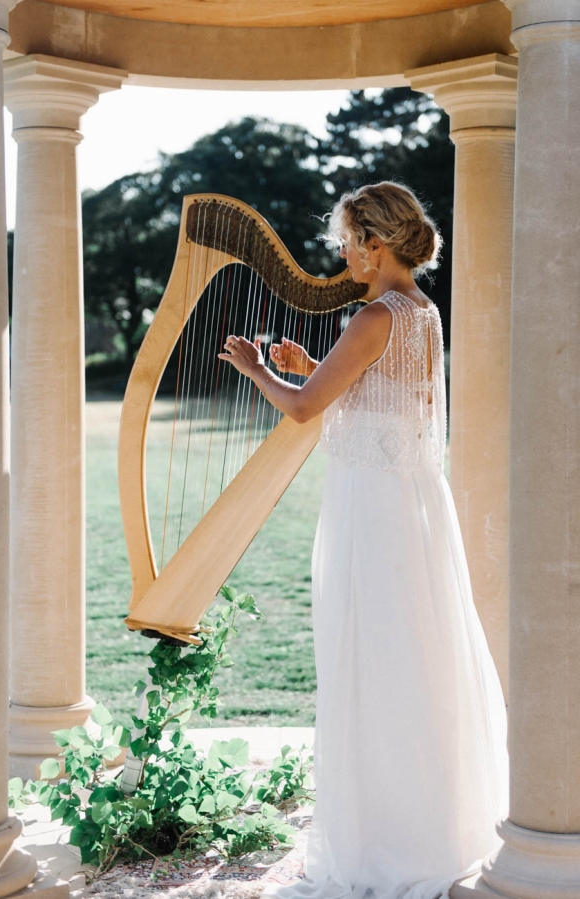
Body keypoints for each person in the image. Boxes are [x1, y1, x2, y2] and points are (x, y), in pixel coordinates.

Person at [219, 181, 508, 899]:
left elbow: (305, 409)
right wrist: (308, 365)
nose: (341, 255)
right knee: (413, 659)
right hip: (411, 507)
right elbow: (390, 397)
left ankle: (386, 838)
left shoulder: (373, 316)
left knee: (372, 660)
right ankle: (434, 821)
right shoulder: (421, 312)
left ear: (376, 245)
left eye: (348, 242)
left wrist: (259, 371)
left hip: (370, 514)